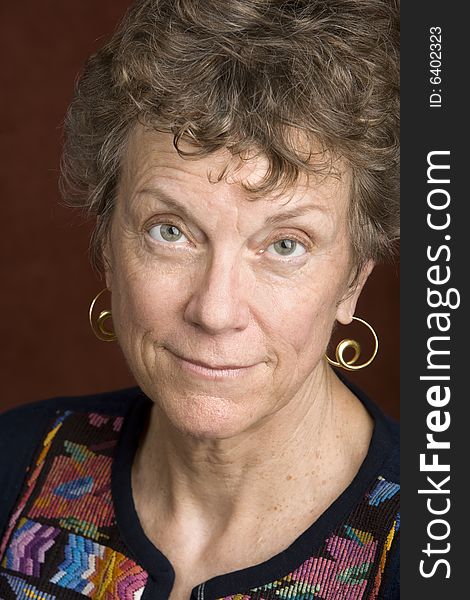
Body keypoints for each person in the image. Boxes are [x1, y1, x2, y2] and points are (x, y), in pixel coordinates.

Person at [0, 0, 399, 598]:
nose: (214, 311)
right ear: (108, 244)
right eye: (171, 231)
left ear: (353, 280)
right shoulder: (11, 466)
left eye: (285, 244)